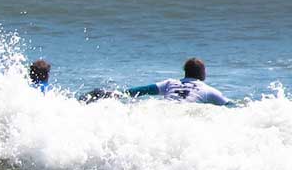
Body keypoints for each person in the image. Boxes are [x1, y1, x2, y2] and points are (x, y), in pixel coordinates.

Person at [81, 57, 231, 105]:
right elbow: (229, 106)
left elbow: (141, 90)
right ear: (202, 73)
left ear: (185, 72)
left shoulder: (170, 83)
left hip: (163, 109)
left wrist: (117, 94)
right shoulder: (208, 90)